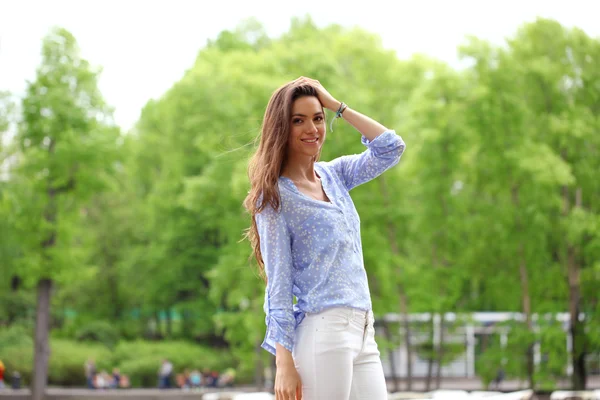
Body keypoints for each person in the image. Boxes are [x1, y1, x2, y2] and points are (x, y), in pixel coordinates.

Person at [244, 77, 406, 400]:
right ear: (282, 129)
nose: (312, 129)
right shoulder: (275, 199)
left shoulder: (335, 176)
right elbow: (278, 285)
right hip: (323, 331)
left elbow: (391, 148)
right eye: (298, 120)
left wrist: (336, 106)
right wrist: (283, 361)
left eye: (317, 119)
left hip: (363, 329)